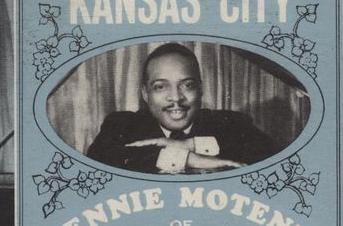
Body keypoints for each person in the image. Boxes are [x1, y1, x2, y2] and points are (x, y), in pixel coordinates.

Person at [86, 43, 279, 174]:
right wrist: (185, 158)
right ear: (145, 94)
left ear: (200, 89)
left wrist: (192, 144)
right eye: (160, 87)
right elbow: (99, 163)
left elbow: (274, 160)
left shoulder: (232, 124)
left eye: (187, 85)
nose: (176, 97)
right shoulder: (122, 125)